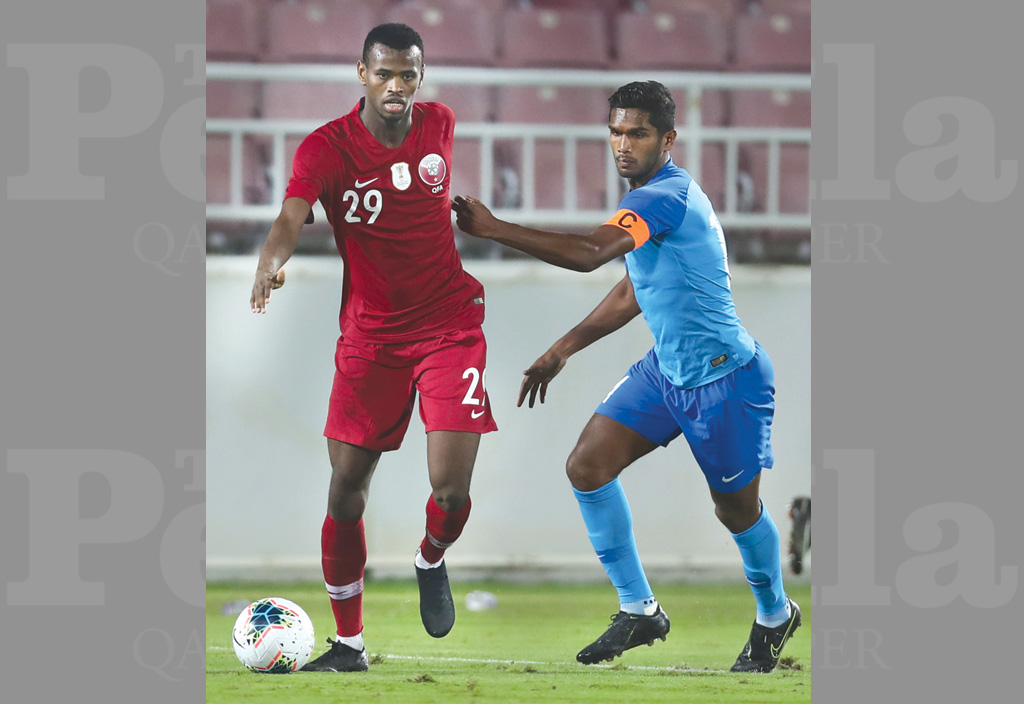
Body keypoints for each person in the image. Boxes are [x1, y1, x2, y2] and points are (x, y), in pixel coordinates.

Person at [451, 81, 800, 673]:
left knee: (736, 513)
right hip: (665, 374)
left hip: (726, 380)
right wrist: (564, 347)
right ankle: (639, 609)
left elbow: (590, 253)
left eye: (637, 132)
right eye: (615, 131)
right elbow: (635, 288)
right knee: (586, 466)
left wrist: (494, 229)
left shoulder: (664, 196)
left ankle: (774, 613)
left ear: (668, 139)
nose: (622, 143)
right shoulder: (647, 201)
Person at [250, 23, 497, 673]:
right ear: (361, 73)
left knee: (449, 490)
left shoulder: (439, 124)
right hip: (370, 342)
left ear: (421, 76)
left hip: (449, 326)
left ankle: (431, 558)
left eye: (408, 74)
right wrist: (271, 263)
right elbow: (290, 215)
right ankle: (349, 644)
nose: (396, 86)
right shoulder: (326, 150)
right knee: (345, 492)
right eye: (384, 73)